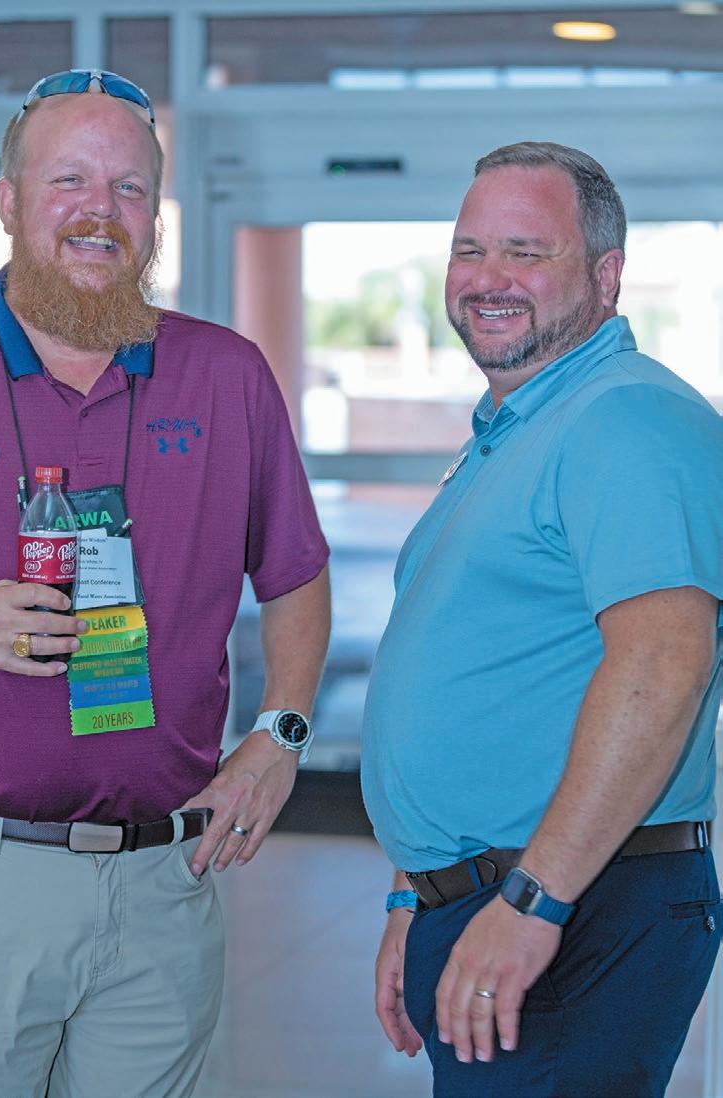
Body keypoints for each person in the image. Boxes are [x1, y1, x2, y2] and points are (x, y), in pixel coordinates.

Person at [0, 69, 330, 1098]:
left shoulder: (225, 376)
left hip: (168, 873)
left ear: (154, 215)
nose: (99, 211)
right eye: (68, 180)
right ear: (9, 202)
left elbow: (294, 572)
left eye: (128, 188)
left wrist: (280, 736)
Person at [361, 141, 723, 1098]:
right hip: (497, 896)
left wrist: (533, 900)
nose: (488, 278)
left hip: (574, 906)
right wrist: (414, 893)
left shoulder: (627, 420)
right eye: (469, 250)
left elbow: (661, 666)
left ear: (605, 276)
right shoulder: (522, 428)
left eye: (526, 252)